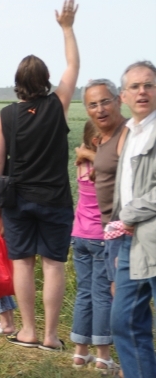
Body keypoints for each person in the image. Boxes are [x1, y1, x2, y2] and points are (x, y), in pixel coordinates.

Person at [0, 0, 79, 351]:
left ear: (17, 83)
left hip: (18, 201)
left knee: (22, 263)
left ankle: (28, 331)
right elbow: (73, 65)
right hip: (56, 199)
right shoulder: (58, 104)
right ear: (46, 81)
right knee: (54, 266)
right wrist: (67, 28)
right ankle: (52, 337)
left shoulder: (7, 115)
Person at [110, 60, 156, 377]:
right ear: (123, 96)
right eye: (135, 87)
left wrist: (128, 215)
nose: (142, 91)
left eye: (149, 85)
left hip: (152, 239)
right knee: (123, 320)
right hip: (130, 242)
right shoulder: (129, 131)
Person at [69, 121, 117, 373]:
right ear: (99, 142)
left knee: (83, 293)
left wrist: (85, 152)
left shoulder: (81, 165)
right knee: (101, 295)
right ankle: (102, 356)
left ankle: (79, 353)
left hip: (79, 235)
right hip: (101, 238)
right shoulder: (105, 170)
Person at [77, 79, 127, 295]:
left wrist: (87, 154)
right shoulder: (106, 138)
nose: (100, 109)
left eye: (105, 102)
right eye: (93, 104)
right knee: (116, 293)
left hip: (127, 228)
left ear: (118, 101)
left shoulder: (128, 134)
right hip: (109, 231)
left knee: (120, 295)